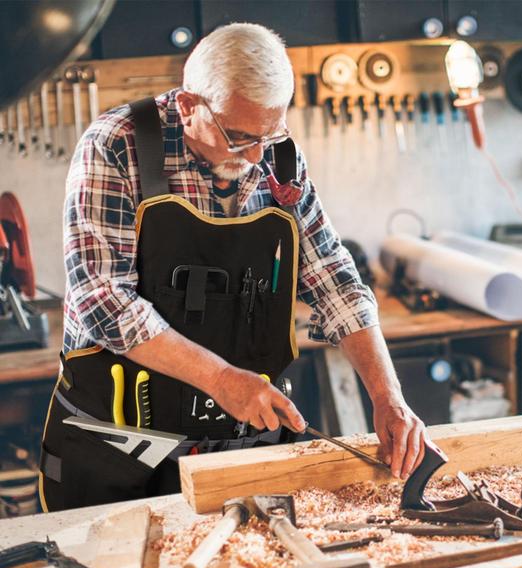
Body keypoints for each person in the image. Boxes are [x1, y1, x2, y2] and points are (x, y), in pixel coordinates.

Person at [39, 23, 427, 512]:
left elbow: (334, 277)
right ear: (188, 106)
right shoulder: (118, 146)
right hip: (118, 444)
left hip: (237, 444)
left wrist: (387, 396)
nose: (257, 156)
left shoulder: (274, 158)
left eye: (272, 133)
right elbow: (103, 301)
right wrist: (222, 379)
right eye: (240, 136)